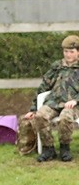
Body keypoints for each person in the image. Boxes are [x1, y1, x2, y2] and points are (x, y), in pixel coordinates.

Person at [23, 33, 79, 162]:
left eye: (71, 52)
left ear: (78, 52)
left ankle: (65, 148)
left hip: (73, 105)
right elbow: (43, 87)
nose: (68, 55)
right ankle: (49, 149)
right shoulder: (57, 67)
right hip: (54, 102)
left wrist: (75, 100)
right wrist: (32, 109)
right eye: (66, 51)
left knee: (65, 117)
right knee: (40, 115)